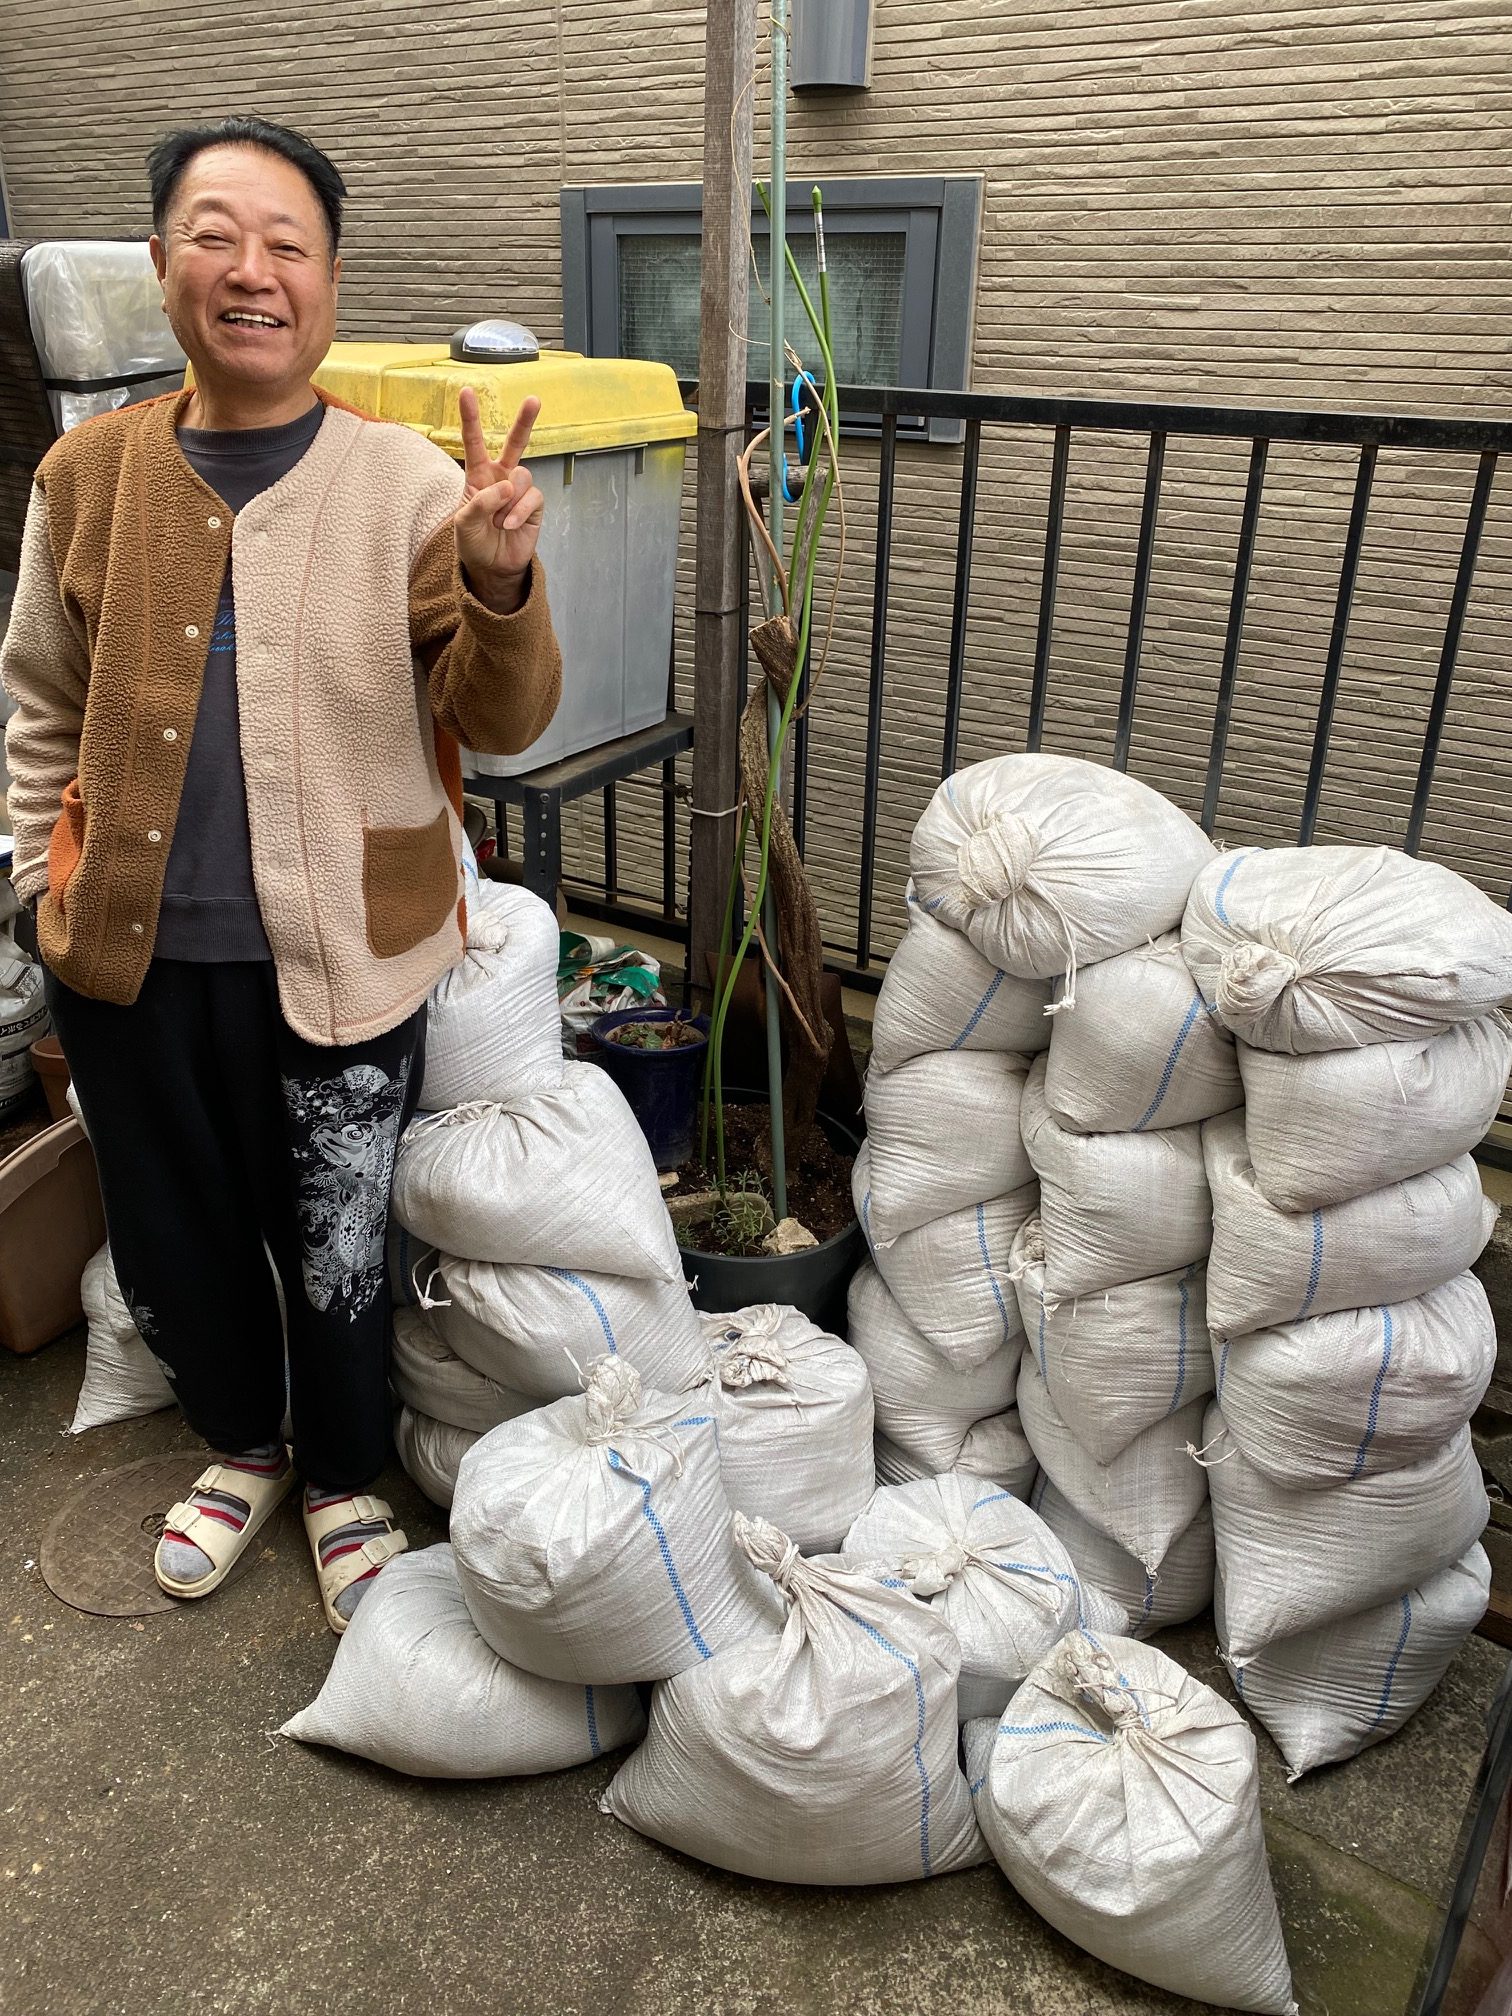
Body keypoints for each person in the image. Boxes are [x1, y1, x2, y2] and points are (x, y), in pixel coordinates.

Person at [0, 117, 562, 1631]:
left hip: (350, 951)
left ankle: (344, 1475)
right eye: (215, 235)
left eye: (286, 243)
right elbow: (41, 696)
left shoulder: (406, 483)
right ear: (162, 263)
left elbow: (502, 717)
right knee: (176, 1237)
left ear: (327, 279)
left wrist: (501, 581)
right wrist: (35, 878)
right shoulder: (86, 473)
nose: (251, 270)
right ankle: (245, 1447)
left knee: (338, 1239)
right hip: (122, 956)